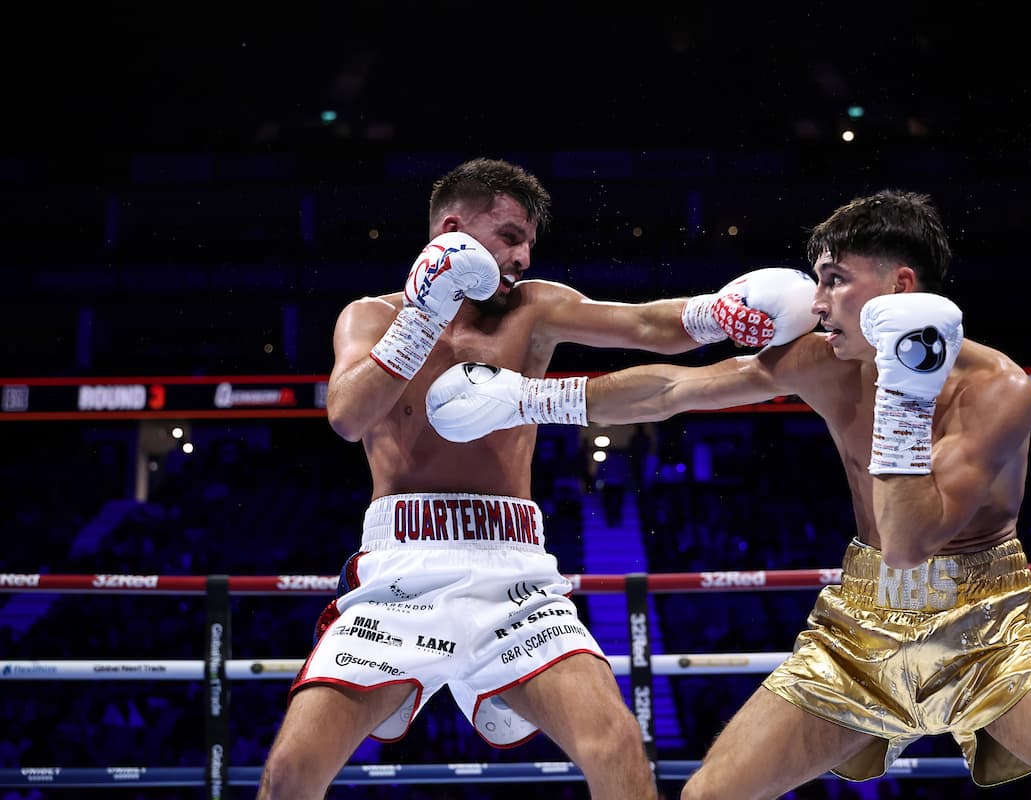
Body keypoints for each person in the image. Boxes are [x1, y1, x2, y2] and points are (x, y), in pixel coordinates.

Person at [424, 189, 1031, 799]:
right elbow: (675, 390)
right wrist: (529, 399)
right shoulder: (823, 361)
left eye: (834, 280)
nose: (815, 303)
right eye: (817, 279)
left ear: (900, 289)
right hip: (861, 624)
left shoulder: (998, 390)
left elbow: (914, 539)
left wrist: (904, 400)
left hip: (985, 622)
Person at [256, 156, 816, 800]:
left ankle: (485, 698)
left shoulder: (535, 308)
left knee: (616, 745)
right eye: (510, 236)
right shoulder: (371, 316)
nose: (523, 256)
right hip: (399, 575)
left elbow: (643, 326)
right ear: (452, 228)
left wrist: (716, 317)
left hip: (513, 575)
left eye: (529, 242)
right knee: (290, 773)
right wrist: (423, 316)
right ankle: (436, 699)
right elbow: (348, 416)